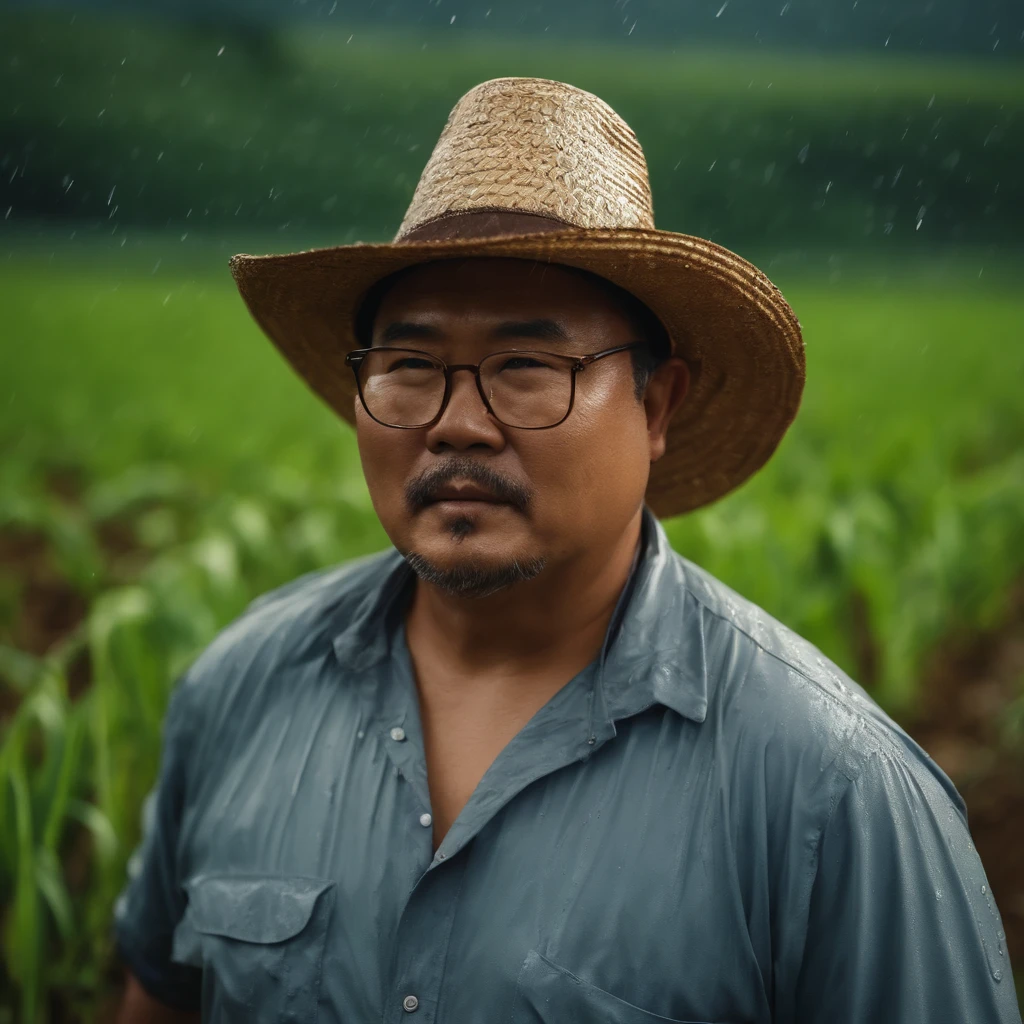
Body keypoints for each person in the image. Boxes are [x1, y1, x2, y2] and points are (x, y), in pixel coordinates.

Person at [114, 77, 1021, 1024]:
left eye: (527, 367)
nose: (458, 424)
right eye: (412, 367)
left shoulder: (833, 790)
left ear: (656, 406)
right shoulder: (241, 688)